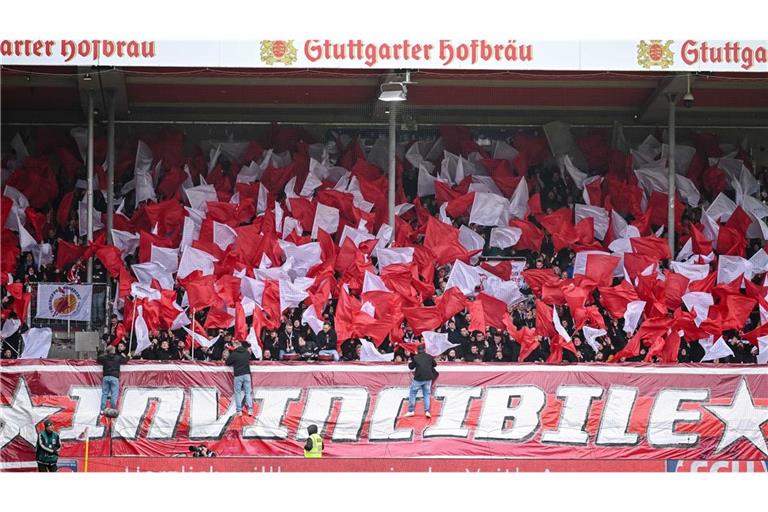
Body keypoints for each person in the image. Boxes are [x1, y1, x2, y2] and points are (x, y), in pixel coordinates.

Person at [405, 344, 436, 418]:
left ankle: (411, 411)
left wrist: (409, 362)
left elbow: (411, 367)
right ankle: (427, 411)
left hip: (419, 378)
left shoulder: (416, 357)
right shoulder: (429, 356)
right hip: (428, 378)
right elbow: (435, 365)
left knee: (413, 393)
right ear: (424, 350)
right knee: (426, 395)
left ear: (417, 351)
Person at [96, 345, 129, 415]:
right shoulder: (117, 357)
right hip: (114, 377)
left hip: (106, 376)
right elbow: (125, 361)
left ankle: (102, 409)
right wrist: (127, 356)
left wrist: (99, 352)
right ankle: (113, 409)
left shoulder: (104, 357)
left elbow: (98, 360)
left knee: (104, 393)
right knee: (114, 394)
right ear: (113, 351)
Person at [226, 340, 254, 416]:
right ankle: (250, 409)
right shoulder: (247, 352)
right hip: (247, 374)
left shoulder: (234, 354)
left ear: (235, 346)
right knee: (248, 392)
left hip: (238, 375)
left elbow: (227, 362)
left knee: (238, 393)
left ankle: (239, 411)